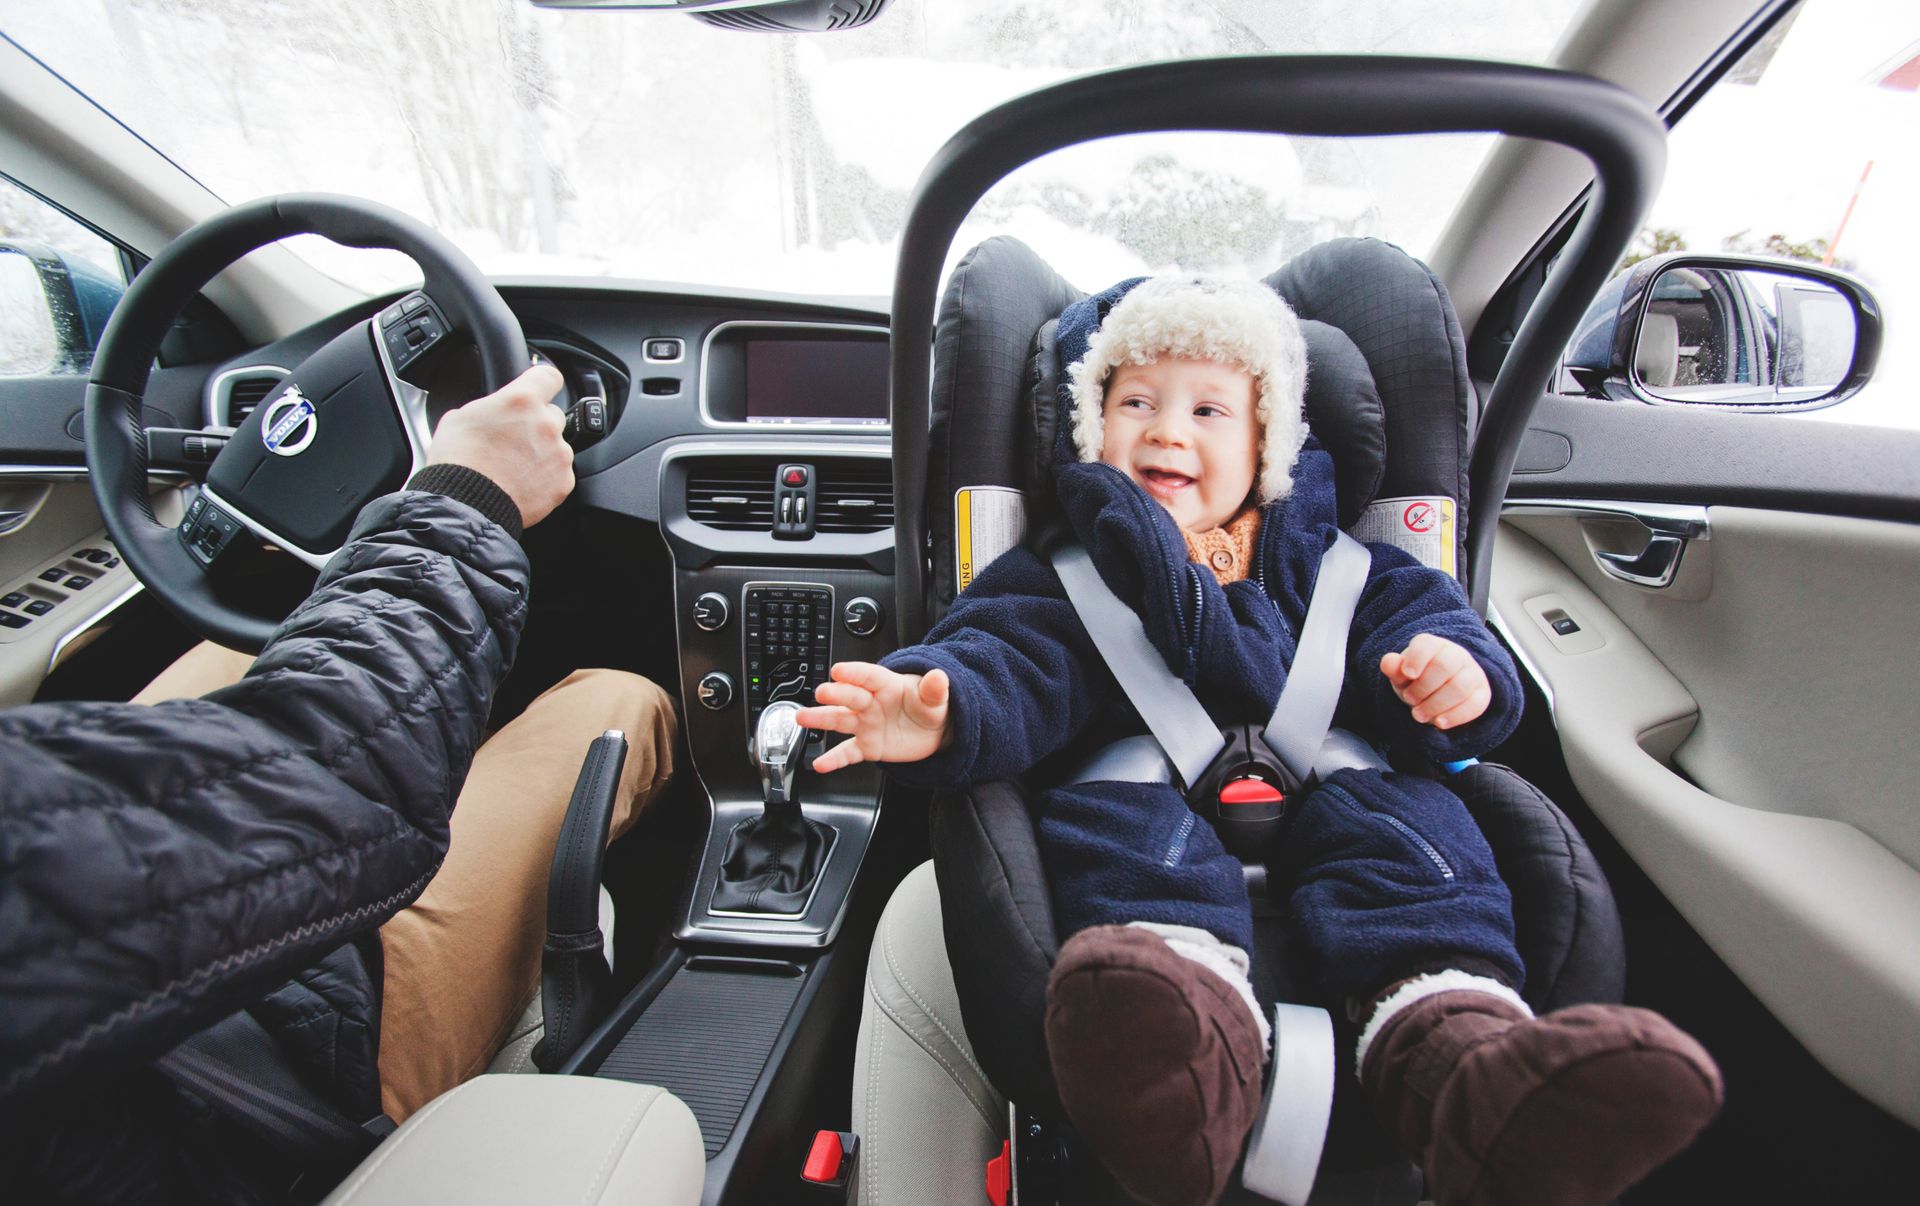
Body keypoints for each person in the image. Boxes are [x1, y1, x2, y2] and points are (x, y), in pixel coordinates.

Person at [796, 277, 1723, 1206]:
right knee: (1126, 865)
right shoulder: (1064, 574)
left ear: (1267, 443)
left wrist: (1454, 677)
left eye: (1207, 409)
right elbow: (1004, 654)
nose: (1166, 432)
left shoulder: (1351, 569)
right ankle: (1177, 1050)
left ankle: (1464, 1059)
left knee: (1424, 858)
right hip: (1141, 804)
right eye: (1135, 404)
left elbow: (1437, 632)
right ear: (1091, 429)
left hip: (1357, 796)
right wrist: (945, 705)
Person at [0, 364, 676, 1201]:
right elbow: (326, 789)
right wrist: (465, 495)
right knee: (620, 698)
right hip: (260, 1079)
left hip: (121, 1036)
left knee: (247, 645)